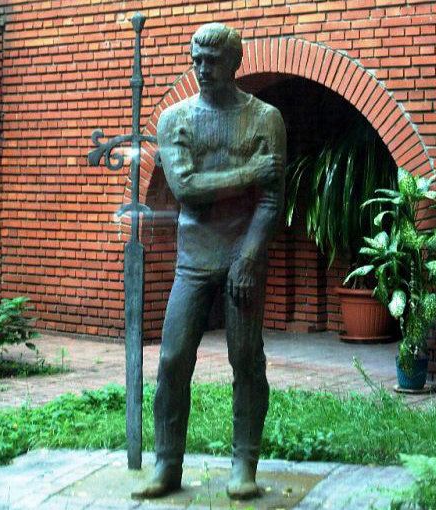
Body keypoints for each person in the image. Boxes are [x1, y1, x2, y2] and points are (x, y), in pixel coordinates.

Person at [135, 22, 286, 500]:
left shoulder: (265, 118)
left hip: (243, 255)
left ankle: (244, 464)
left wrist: (249, 256)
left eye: (213, 60)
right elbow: (187, 190)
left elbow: (272, 199)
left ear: (235, 62)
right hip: (194, 258)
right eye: (196, 60)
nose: (203, 69)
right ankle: (167, 464)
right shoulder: (176, 119)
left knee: (246, 359)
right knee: (173, 358)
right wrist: (250, 171)